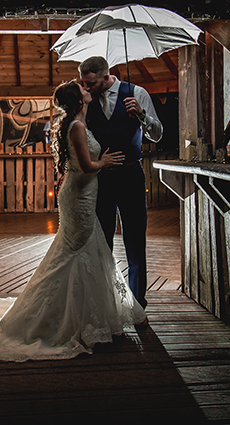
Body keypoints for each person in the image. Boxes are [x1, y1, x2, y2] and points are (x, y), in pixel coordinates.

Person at [0, 80, 147, 362]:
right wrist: (105, 162)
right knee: (75, 251)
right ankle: (61, 318)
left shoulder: (78, 124)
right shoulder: (76, 127)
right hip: (79, 195)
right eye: (83, 89)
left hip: (84, 195)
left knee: (84, 250)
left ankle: (86, 314)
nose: (88, 89)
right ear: (79, 101)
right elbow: (87, 166)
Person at [79, 56, 163, 309]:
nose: (87, 87)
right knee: (101, 242)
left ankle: (138, 305)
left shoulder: (137, 93)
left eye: (91, 83)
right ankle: (105, 305)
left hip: (131, 176)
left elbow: (157, 134)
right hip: (100, 179)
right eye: (84, 82)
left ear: (106, 77)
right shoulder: (85, 99)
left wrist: (142, 114)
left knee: (135, 241)